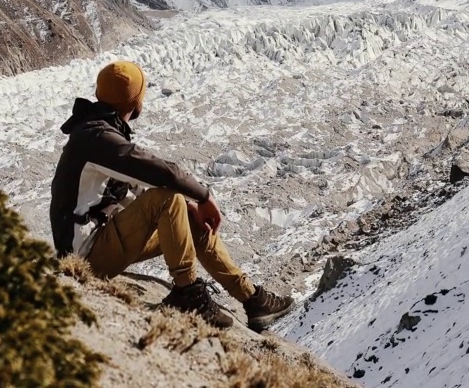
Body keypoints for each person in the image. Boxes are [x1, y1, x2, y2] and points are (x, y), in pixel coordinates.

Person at [49, 60, 295, 330]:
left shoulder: (99, 131)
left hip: (102, 243)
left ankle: (252, 299)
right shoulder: (96, 137)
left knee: (187, 215)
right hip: (85, 257)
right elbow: (162, 173)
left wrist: (190, 209)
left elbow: (128, 191)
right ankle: (188, 294)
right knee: (169, 198)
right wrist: (203, 196)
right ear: (135, 100)